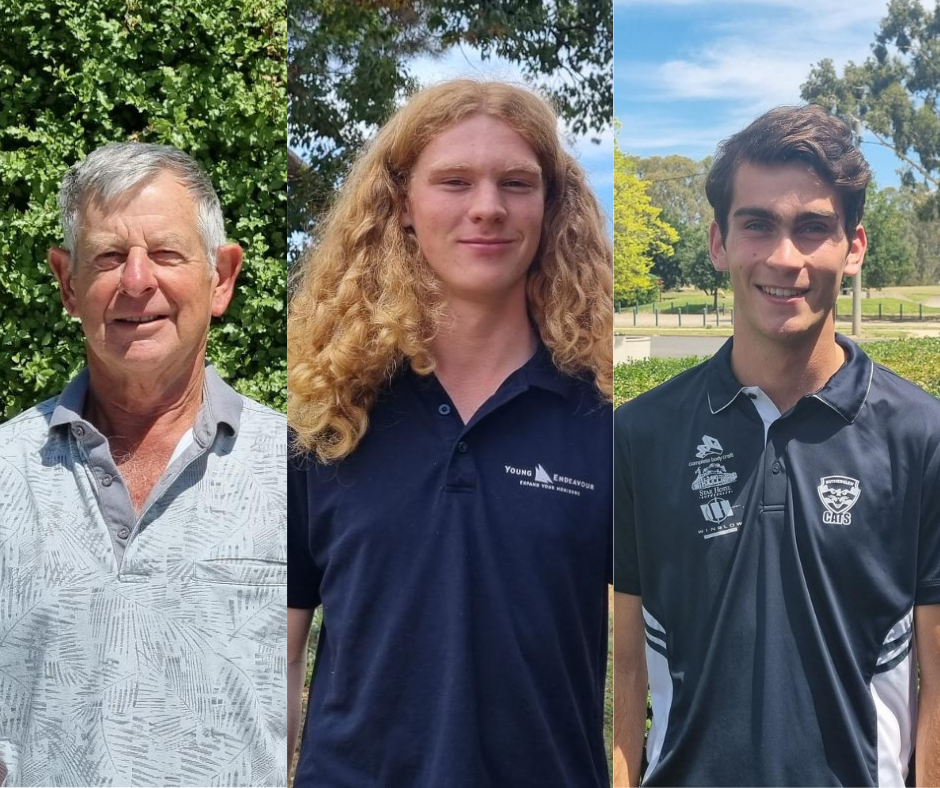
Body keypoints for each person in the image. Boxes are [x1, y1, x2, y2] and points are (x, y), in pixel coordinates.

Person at [287, 79, 613, 787]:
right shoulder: (326, 417)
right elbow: (273, 659)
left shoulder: (609, 423)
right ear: (402, 205)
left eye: (517, 183)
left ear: (551, 205)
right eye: (454, 181)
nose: (487, 207)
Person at [613, 104, 940, 787]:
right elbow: (627, 665)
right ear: (718, 243)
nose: (784, 258)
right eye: (756, 224)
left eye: (813, 228)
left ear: (853, 248)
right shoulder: (639, 434)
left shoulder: (922, 436)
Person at [0, 143, 287, 787]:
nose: (136, 281)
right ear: (66, 284)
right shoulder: (5, 472)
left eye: (165, 253)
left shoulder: (298, 467)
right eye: (108, 256)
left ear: (222, 279)